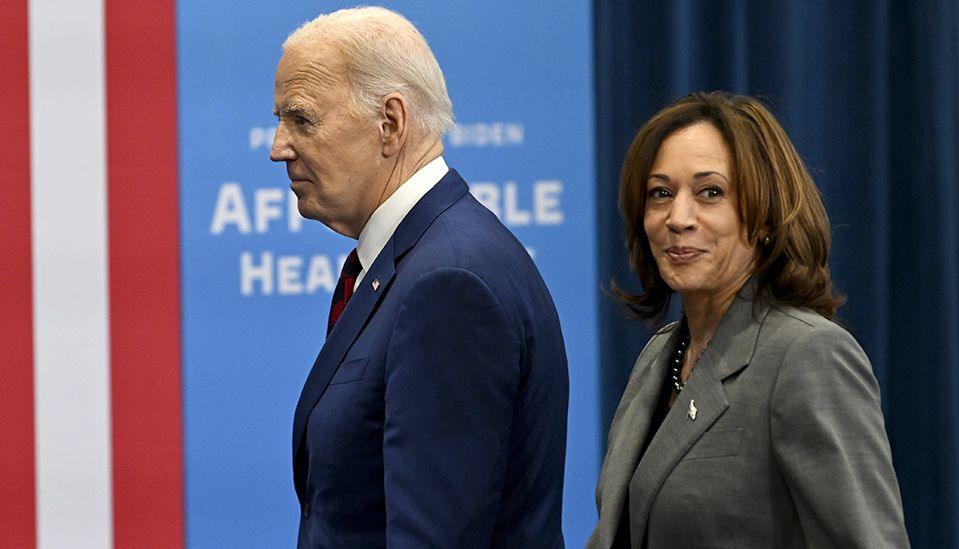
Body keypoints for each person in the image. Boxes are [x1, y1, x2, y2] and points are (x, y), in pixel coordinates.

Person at [270, 7, 568, 548]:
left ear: (391, 123)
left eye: (301, 119)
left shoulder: (449, 283)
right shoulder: (416, 261)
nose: (278, 147)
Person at [587, 92, 910, 548]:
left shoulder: (807, 355)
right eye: (661, 193)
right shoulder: (660, 353)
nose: (678, 217)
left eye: (710, 193)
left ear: (764, 216)